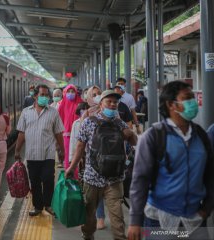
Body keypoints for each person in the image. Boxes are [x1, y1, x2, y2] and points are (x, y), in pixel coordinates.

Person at [128, 81, 214, 240]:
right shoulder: (154, 137)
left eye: (192, 98)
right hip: (159, 219)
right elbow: (140, 180)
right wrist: (135, 221)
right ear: (171, 104)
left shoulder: (201, 135)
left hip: (195, 219)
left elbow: (210, 175)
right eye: (187, 98)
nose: (193, 103)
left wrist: (207, 207)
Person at [66, 90, 137, 240]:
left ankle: (119, 238)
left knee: (117, 217)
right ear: (101, 104)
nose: (112, 105)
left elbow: (134, 142)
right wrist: (72, 167)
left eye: (115, 103)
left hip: (115, 178)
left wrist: (130, 133)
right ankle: (88, 235)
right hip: (93, 177)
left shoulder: (120, 123)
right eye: (109, 101)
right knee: (89, 214)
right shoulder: (89, 122)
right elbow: (80, 147)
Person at [15, 84, 65, 217]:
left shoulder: (53, 112)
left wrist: (62, 150)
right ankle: (38, 206)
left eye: (47, 95)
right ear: (35, 95)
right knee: (35, 182)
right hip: (31, 154)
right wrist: (17, 150)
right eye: (42, 95)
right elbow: (21, 133)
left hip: (48, 153)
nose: (45, 97)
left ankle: (48, 205)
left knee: (48, 178)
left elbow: (59, 133)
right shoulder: (26, 112)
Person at [58, 84, 83, 170]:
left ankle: (77, 176)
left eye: (73, 91)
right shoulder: (62, 104)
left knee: (77, 155)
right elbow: (59, 119)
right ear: (65, 93)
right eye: (68, 91)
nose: (70, 93)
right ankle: (68, 175)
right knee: (67, 155)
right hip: (66, 134)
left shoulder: (81, 103)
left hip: (78, 134)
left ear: (76, 93)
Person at [69, 102, 89, 183]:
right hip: (81, 155)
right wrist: (71, 157)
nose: (84, 111)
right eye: (82, 110)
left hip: (90, 154)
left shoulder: (93, 122)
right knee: (81, 176)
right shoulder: (76, 123)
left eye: (86, 109)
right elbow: (73, 141)